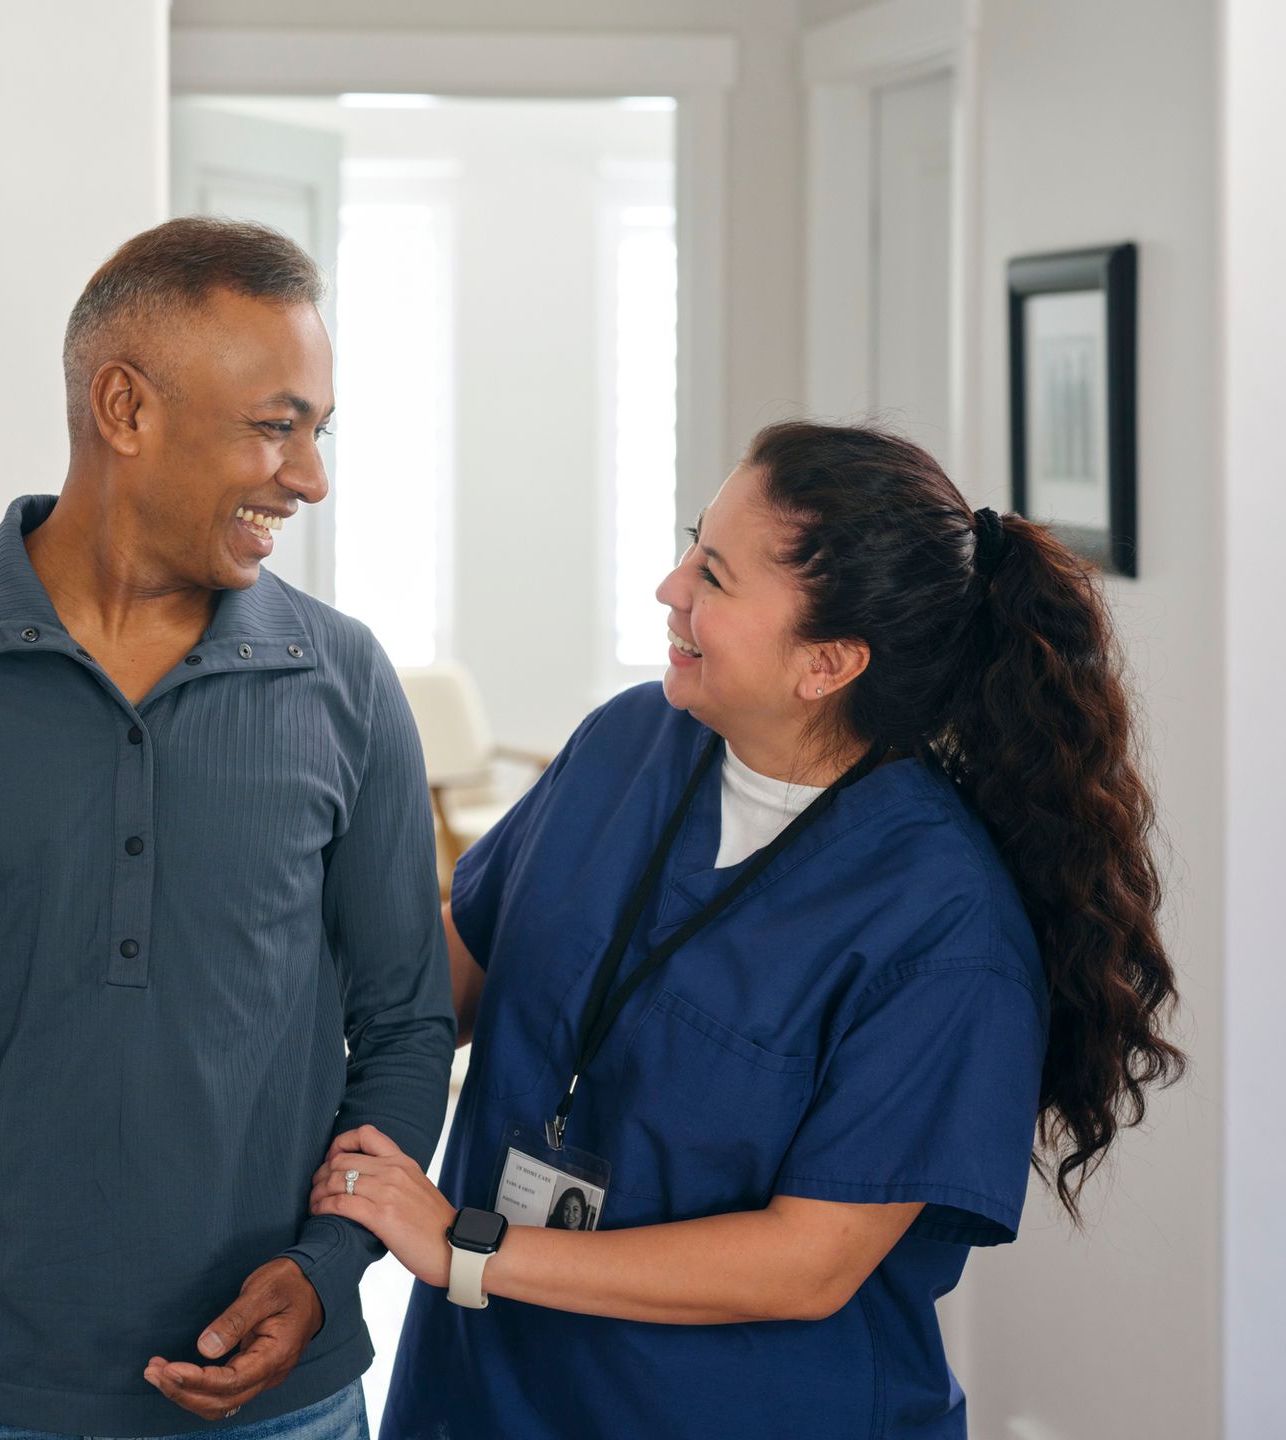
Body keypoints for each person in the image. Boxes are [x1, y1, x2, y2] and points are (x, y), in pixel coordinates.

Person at [0, 217, 454, 1439]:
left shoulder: (345, 680)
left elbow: (405, 1028)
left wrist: (329, 1272)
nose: (311, 477)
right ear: (125, 407)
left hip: (287, 1406)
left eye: (319, 430)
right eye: (277, 426)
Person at [310, 422, 1185, 1439]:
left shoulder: (947, 928)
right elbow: (441, 986)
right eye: (693, 542)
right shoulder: (628, 742)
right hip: (481, 1395)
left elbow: (809, 1263)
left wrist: (464, 1248)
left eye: (715, 576)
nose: (669, 587)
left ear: (828, 663)